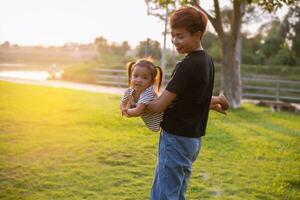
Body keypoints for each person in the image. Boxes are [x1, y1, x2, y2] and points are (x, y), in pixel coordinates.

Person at [143, 6, 226, 199]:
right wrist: (216, 102)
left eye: (180, 36)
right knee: (176, 193)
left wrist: (136, 101)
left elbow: (158, 106)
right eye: (173, 36)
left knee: (164, 195)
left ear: (197, 35)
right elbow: (194, 99)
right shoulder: (207, 61)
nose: (174, 41)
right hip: (192, 141)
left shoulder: (186, 66)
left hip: (176, 139)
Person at [120, 58, 229, 132]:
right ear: (130, 76)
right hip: (165, 114)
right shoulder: (130, 91)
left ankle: (219, 99)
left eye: (144, 77)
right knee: (190, 107)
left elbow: (138, 111)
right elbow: (123, 102)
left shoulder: (147, 93)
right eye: (135, 76)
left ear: (152, 82)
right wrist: (123, 107)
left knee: (190, 102)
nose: (138, 80)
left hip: (167, 113)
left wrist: (126, 112)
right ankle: (212, 106)